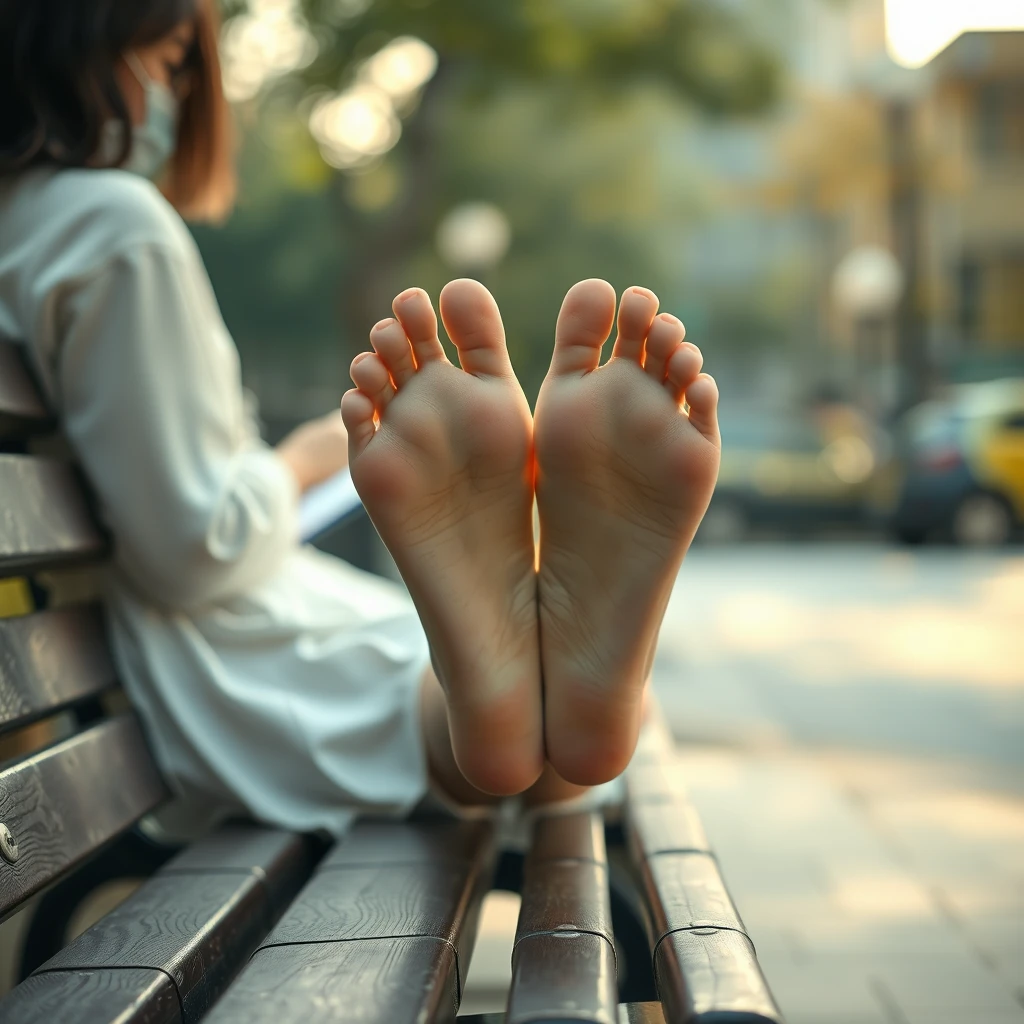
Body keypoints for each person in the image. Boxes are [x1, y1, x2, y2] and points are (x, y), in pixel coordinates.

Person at [0, 0, 720, 835]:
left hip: (138, 679)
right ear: (59, 46)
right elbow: (196, 549)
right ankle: (519, 670)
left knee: (525, 728)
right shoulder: (109, 225)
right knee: (549, 743)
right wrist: (304, 462)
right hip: (209, 666)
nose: (177, 95)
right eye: (164, 63)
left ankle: (509, 671)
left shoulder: (25, 227)